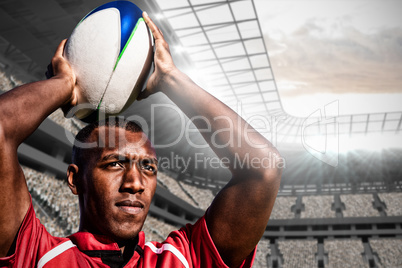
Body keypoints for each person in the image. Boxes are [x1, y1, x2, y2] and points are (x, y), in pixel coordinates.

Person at [0, 12, 282, 268]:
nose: (135, 183)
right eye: (115, 164)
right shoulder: (34, 256)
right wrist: (65, 84)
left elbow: (264, 168)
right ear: (75, 179)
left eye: (148, 167)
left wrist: (170, 79)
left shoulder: (183, 259)